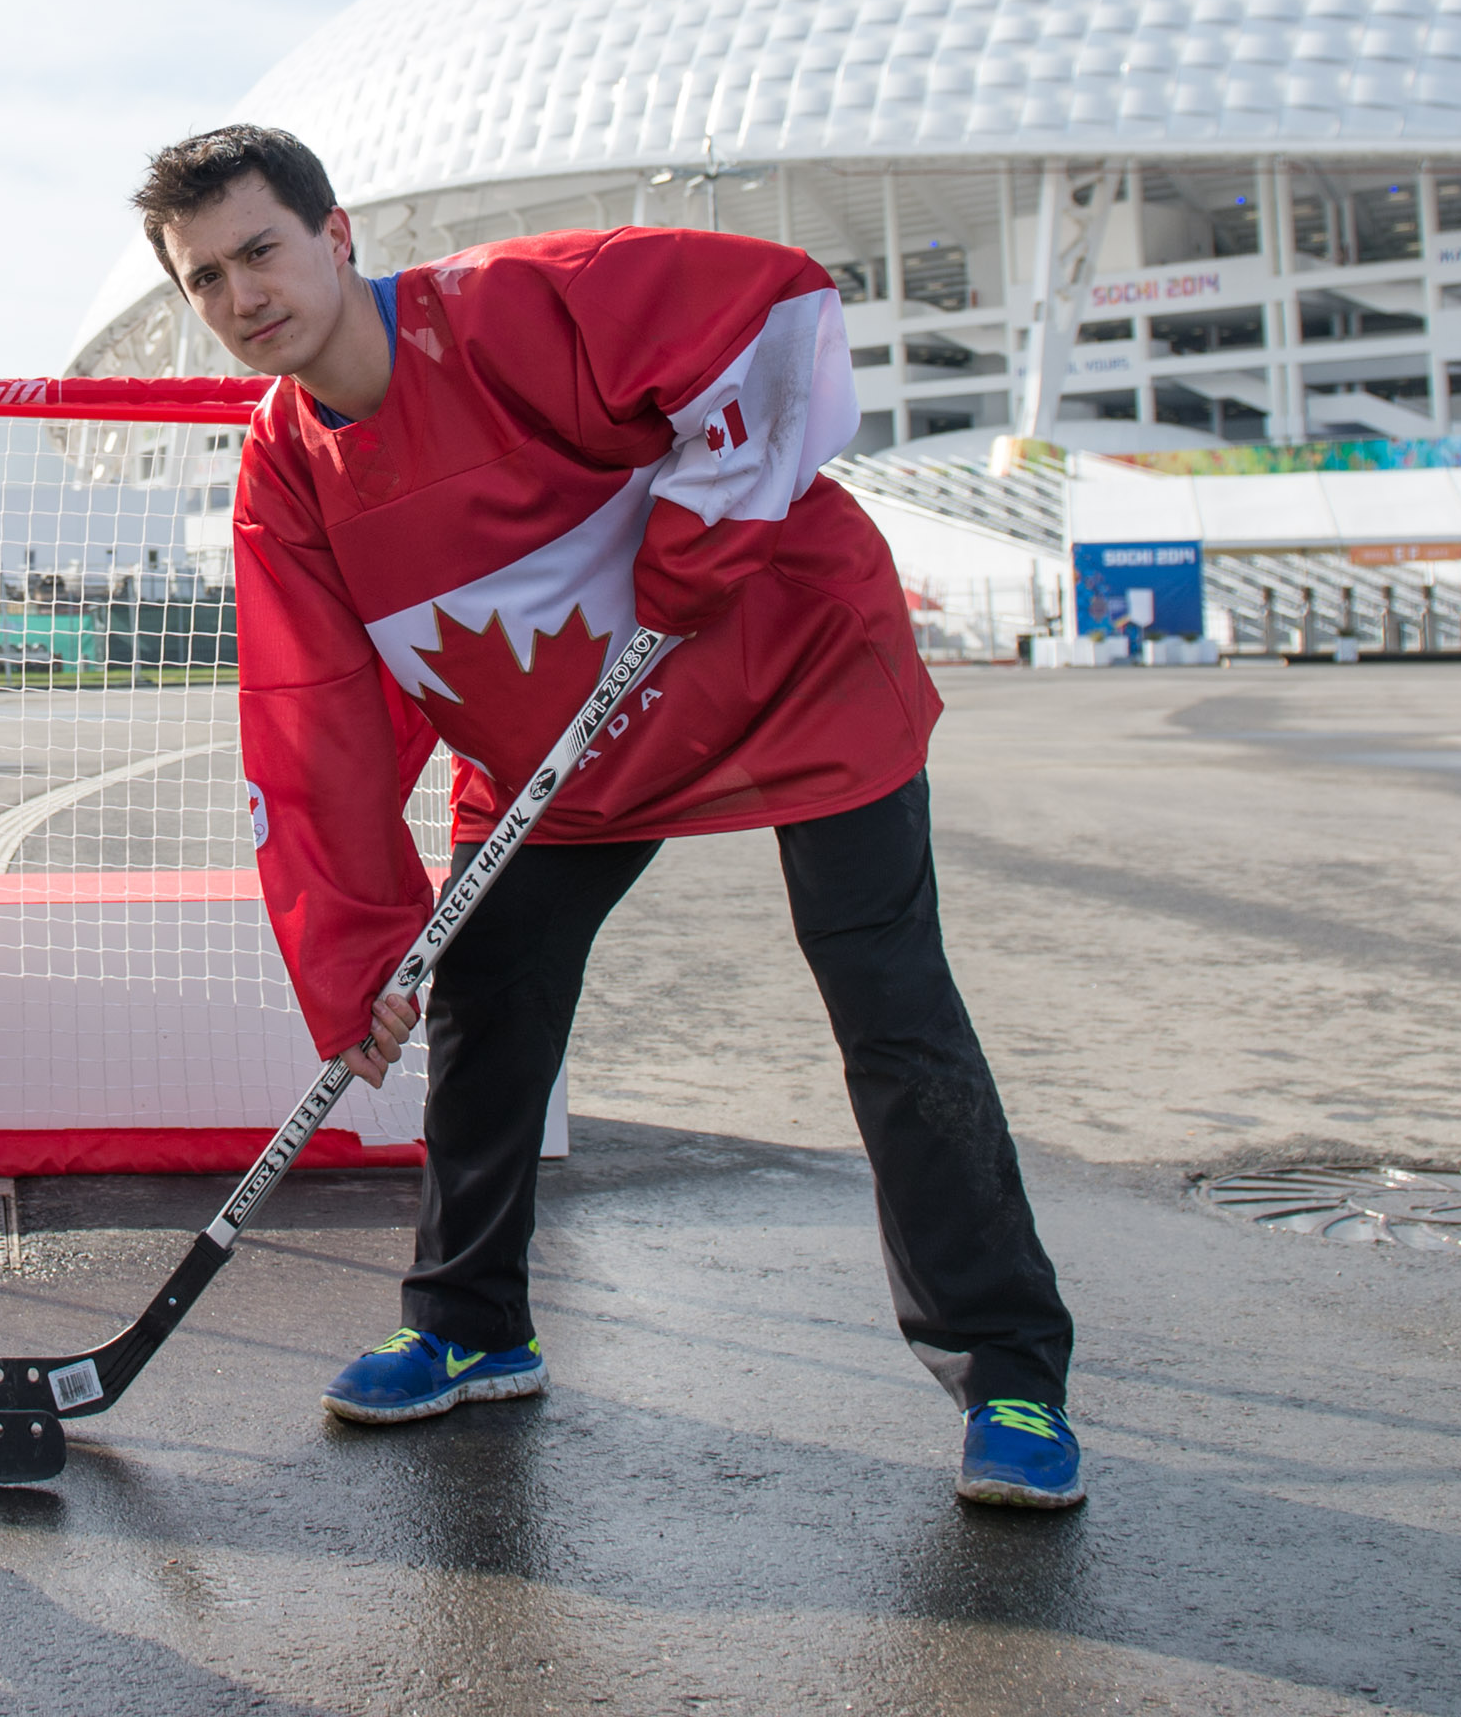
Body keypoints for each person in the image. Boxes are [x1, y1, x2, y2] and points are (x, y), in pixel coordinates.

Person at [136, 125, 1082, 1510]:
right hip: (557, 751)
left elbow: (775, 309)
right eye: (205, 280)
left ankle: (1008, 1371)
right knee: (485, 1004)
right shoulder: (287, 471)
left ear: (336, 237)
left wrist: (696, 546)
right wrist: (356, 958)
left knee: (888, 999)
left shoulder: (520, 306)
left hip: (792, 671)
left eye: (259, 251)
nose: (241, 298)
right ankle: (470, 1323)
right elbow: (314, 722)